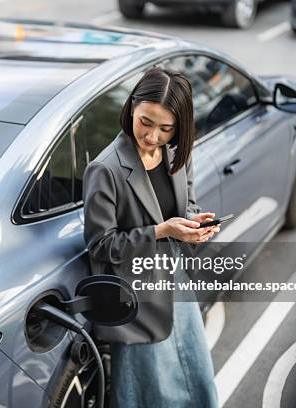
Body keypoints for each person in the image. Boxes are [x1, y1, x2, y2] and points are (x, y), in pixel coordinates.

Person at [82, 66, 220, 407]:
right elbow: (101, 245)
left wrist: (192, 223)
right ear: (131, 107)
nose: (153, 136)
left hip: (175, 281)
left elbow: (185, 203)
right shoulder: (105, 169)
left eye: (166, 128)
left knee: (194, 378)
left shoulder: (177, 152)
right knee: (145, 392)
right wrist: (162, 230)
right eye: (146, 121)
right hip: (136, 297)